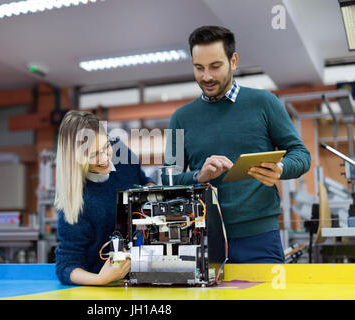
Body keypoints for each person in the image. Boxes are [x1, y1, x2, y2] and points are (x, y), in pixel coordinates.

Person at [161, 26, 311, 263]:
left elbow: (302, 155)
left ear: (233, 61)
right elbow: (168, 179)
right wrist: (199, 176)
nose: (206, 77)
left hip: (260, 238)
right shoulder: (181, 118)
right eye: (199, 68)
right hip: (204, 240)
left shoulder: (264, 103)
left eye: (215, 66)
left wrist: (280, 169)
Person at [55, 110, 154, 285]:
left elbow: (143, 181)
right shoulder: (76, 201)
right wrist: (101, 279)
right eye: (92, 155)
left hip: (147, 274)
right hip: (104, 287)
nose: (104, 159)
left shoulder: (122, 152)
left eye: (105, 147)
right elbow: (66, 267)